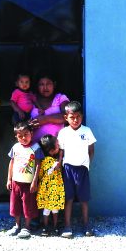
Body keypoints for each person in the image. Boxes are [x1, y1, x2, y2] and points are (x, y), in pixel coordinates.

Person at [57, 100, 96, 238]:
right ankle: (67, 226)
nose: (75, 120)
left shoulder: (87, 131)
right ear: (66, 118)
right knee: (69, 198)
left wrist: (87, 164)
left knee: (84, 199)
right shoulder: (63, 133)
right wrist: (59, 163)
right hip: (68, 170)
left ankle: (86, 224)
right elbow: (61, 152)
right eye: (72, 117)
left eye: (78, 117)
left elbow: (91, 150)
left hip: (82, 169)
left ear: (82, 117)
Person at [6, 121, 42, 239]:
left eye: (26, 134)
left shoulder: (35, 147)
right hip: (16, 182)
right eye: (20, 136)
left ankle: (26, 227)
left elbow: (38, 164)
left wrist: (35, 181)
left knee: (28, 205)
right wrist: (9, 179)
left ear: (31, 133)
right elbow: (11, 163)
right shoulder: (15, 147)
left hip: (28, 183)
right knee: (15, 205)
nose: (23, 138)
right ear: (16, 136)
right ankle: (17, 225)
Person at [36, 134, 65, 236]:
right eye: (57, 145)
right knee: (52, 209)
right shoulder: (50, 162)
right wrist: (60, 158)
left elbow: (40, 175)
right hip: (51, 189)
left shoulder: (44, 161)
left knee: (49, 209)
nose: (59, 146)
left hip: (48, 189)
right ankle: (52, 226)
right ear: (52, 150)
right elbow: (52, 170)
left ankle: (47, 227)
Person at [29, 73, 69, 143]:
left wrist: (45, 119)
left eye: (48, 84)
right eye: (41, 84)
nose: (45, 87)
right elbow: (21, 120)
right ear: (37, 86)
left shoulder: (60, 98)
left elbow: (67, 116)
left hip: (56, 148)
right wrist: (28, 125)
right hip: (34, 147)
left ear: (54, 84)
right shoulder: (31, 99)